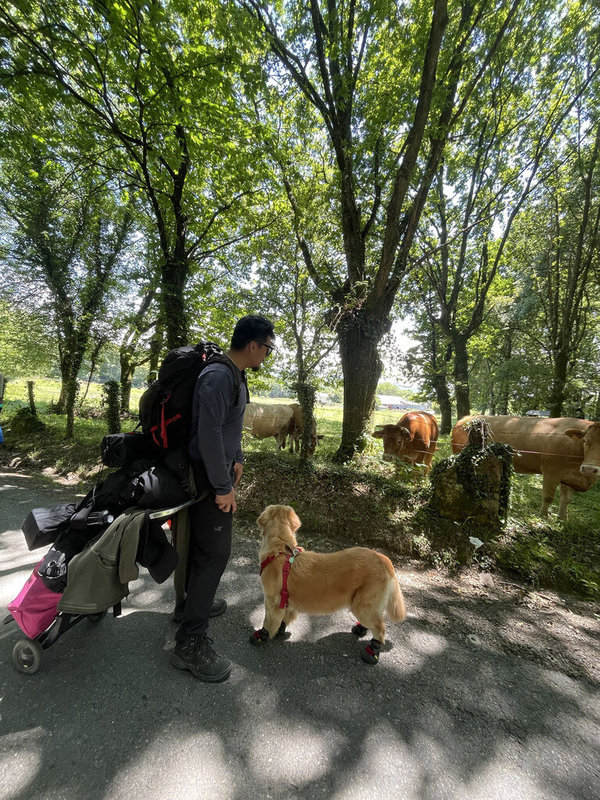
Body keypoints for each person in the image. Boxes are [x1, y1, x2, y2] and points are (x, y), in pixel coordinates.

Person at [170, 314, 275, 682]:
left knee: (204, 549)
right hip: (206, 478)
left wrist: (239, 458)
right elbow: (208, 436)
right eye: (268, 347)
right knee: (215, 552)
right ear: (253, 345)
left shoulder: (236, 374)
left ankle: (189, 606)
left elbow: (231, 427)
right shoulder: (217, 376)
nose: (268, 354)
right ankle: (189, 642)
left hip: (218, 472)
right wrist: (222, 487)